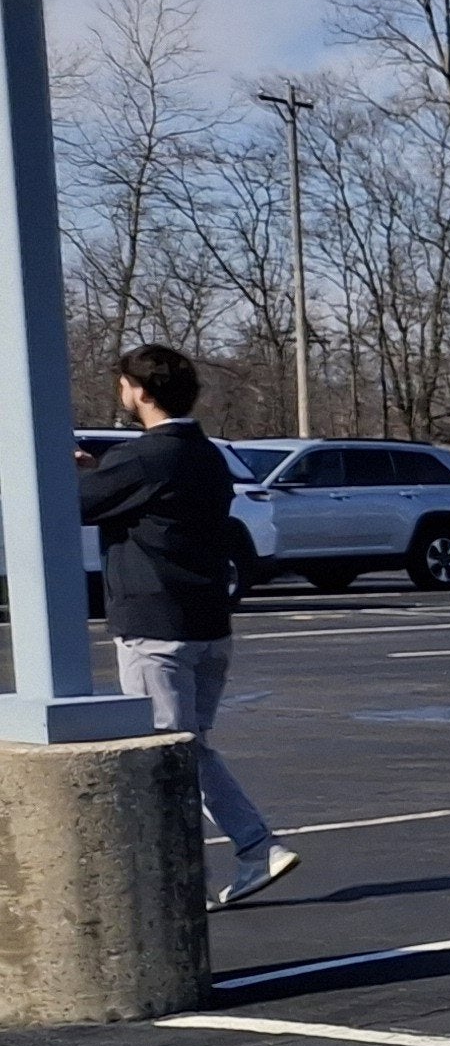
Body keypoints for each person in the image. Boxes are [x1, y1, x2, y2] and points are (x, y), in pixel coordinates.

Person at [76, 340, 295, 907]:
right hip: (209, 625)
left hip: (157, 625)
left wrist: (73, 473)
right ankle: (248, 850)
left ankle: (236, 856)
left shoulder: (146, 456)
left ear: (141, 392)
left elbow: (76, 504)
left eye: (124, 384)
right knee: (188, 750)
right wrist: (101, 474)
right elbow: (144, 502)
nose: (121, 393)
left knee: (170, 757)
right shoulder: (204, 455)